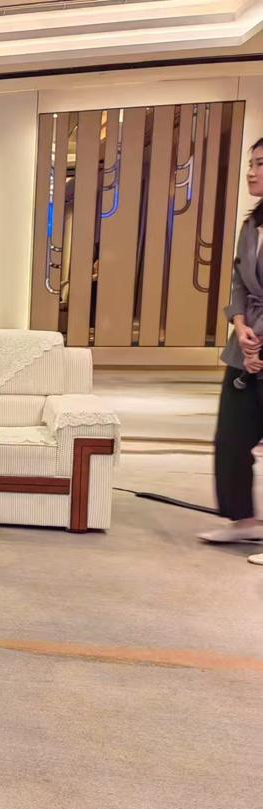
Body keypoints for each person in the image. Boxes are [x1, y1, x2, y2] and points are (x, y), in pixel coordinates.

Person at [201, 136, 263, 566]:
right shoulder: (252, 223)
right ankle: (244, 520)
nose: (251, 172)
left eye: (260, 164)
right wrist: (240, 326)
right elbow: (240, 282)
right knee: (231, 438)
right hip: (246, 347)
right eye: (251, 164)